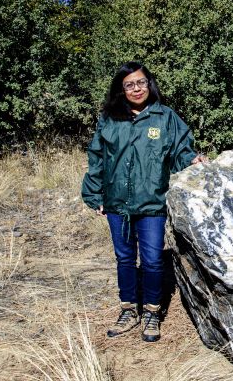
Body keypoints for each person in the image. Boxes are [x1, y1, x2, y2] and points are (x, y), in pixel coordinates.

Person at [82, 61, 207, 342]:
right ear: (121, 89)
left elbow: (181, 150)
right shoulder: (110, 118)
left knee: (152, 261)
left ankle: (151, 312)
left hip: (152, 204)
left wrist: (192, 159)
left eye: (141, 82)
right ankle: (129, 309)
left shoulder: (165, 117)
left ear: (149, 84)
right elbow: (97, 158)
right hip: (117, 203)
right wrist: (94, 194)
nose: (136, 89)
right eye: (129, 85)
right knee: (125, 259)